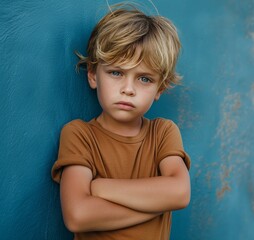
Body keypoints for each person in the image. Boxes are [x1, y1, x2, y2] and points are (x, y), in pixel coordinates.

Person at [51, 3, 191, 240]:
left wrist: (100, 187)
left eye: (145, 79)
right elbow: (78, 215)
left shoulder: (163, 132)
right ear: (93, 74)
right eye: (116, 73)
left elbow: (179, 193)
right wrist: (157, 204)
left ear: (160, 88)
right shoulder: (79, 135)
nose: (128, 89)